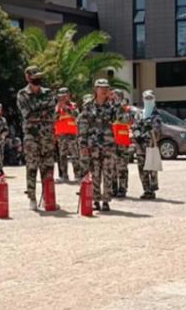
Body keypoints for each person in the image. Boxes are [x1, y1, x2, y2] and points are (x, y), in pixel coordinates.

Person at [16, 66, 57, 210]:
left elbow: (52, 114)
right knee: (32, 167)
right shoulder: (22, 94)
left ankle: (48, 198)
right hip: (31, 137)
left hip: (47, 136)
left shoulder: (48, 93)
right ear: (27, 77)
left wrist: (39, 114)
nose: (38, 79)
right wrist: (43, 114)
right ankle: (32, 198)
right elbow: (27, 115)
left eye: (39, 76)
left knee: (48, 168)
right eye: (34, 77)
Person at [78, 79, 119, 211]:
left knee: (108, 173)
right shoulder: (88, 106)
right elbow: (83, 125)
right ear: (95, 89)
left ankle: (106, 201)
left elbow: (122, 119)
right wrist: (83, 144)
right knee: (95, 173)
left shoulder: (112, 106)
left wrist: (117, 102)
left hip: (108, 145)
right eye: (101, 88)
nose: (104, 90)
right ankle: (95, 200)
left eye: (106, 88)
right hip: (93, 145)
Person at [132, 90, 163, 200]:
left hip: (150, 144)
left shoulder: (156, 115)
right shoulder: (140, 113)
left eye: (150, 98)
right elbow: (134, 126)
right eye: (146, 98)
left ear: (154, 99)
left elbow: (158, 130)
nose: (148, 100)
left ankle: (152, 189)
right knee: (141, 168)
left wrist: (148, 133)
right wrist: (136, 133)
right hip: (140, 145)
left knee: (152, 168)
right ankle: (146, 190)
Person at [54, 88, 81, 182]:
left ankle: (77, 175)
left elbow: (76, 116)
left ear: (68, 95)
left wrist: (66, 108)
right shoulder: (57, 107)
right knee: (62, 156)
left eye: (65, 95)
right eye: (61, 96)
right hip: (61, 135)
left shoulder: (73, 105)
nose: (63, 97)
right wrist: (58, 109)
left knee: (75, 155)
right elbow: (54, 119)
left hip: (72, 134)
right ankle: (64, 175)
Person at [111, 90, 134, 198]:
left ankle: (123, 189)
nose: (114, 98)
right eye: (113, 96)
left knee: (122, 167)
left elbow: (127, 120)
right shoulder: (110, 108)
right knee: (112, 167)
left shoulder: (126, 109)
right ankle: (113, 189)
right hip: (112, 142)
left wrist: (120, 108)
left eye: (116, 96)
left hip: (122, 143)